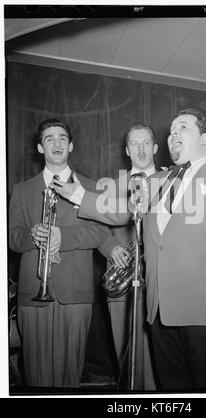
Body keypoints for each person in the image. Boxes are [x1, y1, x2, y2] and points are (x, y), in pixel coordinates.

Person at [54, 109, 206, 390]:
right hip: (159, 312)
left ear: (204, 137)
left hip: (203, 312)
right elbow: (123, 211)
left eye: (183, 127)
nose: (173, 134)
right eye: (171, 130)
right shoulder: (157, 181)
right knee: (171, 389)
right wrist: (82, 195)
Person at [8, 118, 117, 388]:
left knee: (70, 374)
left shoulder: (90, 187)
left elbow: (101, 233)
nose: (56, 143)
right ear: (40, 148)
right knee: (35, 373)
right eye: (49, 139)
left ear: (71, 146)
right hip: (32, 292)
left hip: (75, 291)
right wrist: (31, 235)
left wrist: (62, 236)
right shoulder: (22, 190)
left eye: (61, 138)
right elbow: (12, 238)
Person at [98, 123, 158, 390]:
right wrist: (110, 246)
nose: (141, 148)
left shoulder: (173, 184)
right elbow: (96, 229)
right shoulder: (112, 187)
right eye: (135, 143)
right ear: (127, 150)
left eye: (146, 142)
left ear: (155, 147)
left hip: (162, 281)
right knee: (127, 357)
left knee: (162, 359)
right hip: (123, 280)